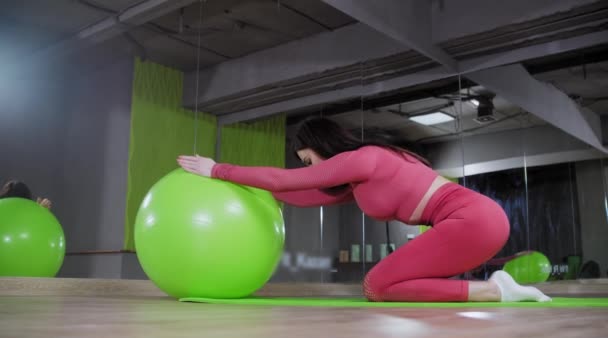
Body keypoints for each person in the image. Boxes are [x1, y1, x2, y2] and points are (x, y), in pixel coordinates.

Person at [177, 117, 550, 303]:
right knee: (383, 284)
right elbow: (303, 195)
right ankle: (495, 289)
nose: (310, 169)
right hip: (476, 223)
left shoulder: (364, 159)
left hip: (472, 220)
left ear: (321, 144)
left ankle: (495, 290)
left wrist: (217, 169)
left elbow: (284, 180)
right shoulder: (361, 180)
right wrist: (244, 190)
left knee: (377, 285)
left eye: (309, 160)